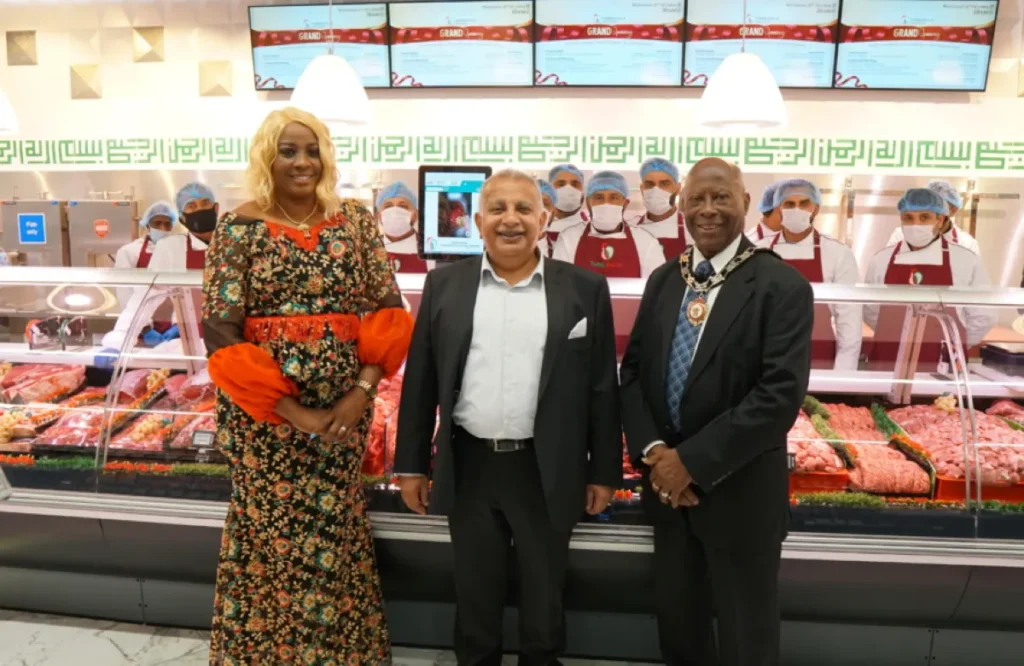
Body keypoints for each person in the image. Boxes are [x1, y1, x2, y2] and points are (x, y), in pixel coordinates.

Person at [202, 107, 413, 664]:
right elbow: (221, 330)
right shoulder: (237, 227)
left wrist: (361, 392)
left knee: (334, 534)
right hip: (263, 424)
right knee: (267, 540)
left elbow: (389, 309)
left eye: (311, 149)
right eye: (288, 150)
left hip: (344, 418)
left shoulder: (358, 221)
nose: (301, 161)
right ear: (266, 157)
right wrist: (291, 410)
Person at [395, 169, 621, 666]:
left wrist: (603, 471)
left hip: (549, 467)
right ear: (478, 221)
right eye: (498, 209)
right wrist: (410, 464)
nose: (510, 220)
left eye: (523, 209)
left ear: (544, 218)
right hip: (470, 463)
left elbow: (604, 388)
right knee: (475, 596)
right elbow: (422, 382)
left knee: (545, 599)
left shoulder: (585, 289)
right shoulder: (444, 286)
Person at [620, 157, 813, 666]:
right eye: (697, 199)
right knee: (679, 634)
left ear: (746, 203)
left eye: (720, 197)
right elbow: (634, 375)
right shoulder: (664, 280)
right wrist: (658, 453)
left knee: (746, 641)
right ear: (681, 206)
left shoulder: (780, 286)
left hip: (741, 496)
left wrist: (692, 463)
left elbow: (778, 396)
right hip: (668, 494)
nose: (708, 210)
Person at [865, 188, 995, 371]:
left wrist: (954, 344)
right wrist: (892, 335)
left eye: (924, 217)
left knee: (941, 401)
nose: (915, 224)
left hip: (943, 362)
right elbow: (871, 311)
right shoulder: (881, 260)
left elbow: (984, 315)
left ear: (940, 220)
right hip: (889, 358)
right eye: (908, 218)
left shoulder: (966, 260)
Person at [96, 182, 221, 367]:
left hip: (232, 346)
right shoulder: (171, 248)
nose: (199, 210)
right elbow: (144, 297)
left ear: (216, 208)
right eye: (191, 206)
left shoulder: (235, 243)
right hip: (191, 347)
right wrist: (119, 340)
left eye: (205, 204)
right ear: (182, 218)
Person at [759, 179, 862, 371]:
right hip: (766, 361)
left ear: (815, 208)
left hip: (819, 360)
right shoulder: (759, 250)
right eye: (789, 204)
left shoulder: (838, 253)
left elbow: (849, 325)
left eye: (804, 203)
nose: (796, 209)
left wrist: (841, 379)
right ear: (779, 208)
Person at [552, 170, 665, 278]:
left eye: (614, 198)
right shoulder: (569, 239)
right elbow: (559, 285)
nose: (606, 203)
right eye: (599, 197)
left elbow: (657, 289)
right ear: (588, 203)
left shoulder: (646, 242)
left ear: (625, 204)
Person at [885, 180, 979, 254]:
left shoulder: (966, 244)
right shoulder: (900, 235)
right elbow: (885, 268)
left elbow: (973, 276)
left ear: (953, 210)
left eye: (939, 206)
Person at [112, 200, 176, 305]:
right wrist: (135, 317)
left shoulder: (178, 250)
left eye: (167, 224)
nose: (163, 228)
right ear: (147, 225)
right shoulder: (129, 251)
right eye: (157, 223)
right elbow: (124, 291)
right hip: (142, 311)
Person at [630, 157, 691, 258]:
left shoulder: (690, 229)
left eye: (664, 184)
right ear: (642, 189)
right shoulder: (630, 228)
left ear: (677, 188)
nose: (656, 190)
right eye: (650, 184)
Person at [377, 181, 430, 273]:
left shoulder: (428, 248)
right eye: (388, 206)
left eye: (403, 206)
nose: (395, 212)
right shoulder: (370, 249)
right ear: (379, 216)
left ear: (415, 215)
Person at [545, 163, 589, 246]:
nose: (568, 188)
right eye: (561, 184)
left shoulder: (592, 227)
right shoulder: (537, 227)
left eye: (575, 184)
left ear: (583, 192)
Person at [536, 178, 557, 257]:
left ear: (553, 213)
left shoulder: (558, 249)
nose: (539, 210)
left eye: (545, 204)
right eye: (533, 203)